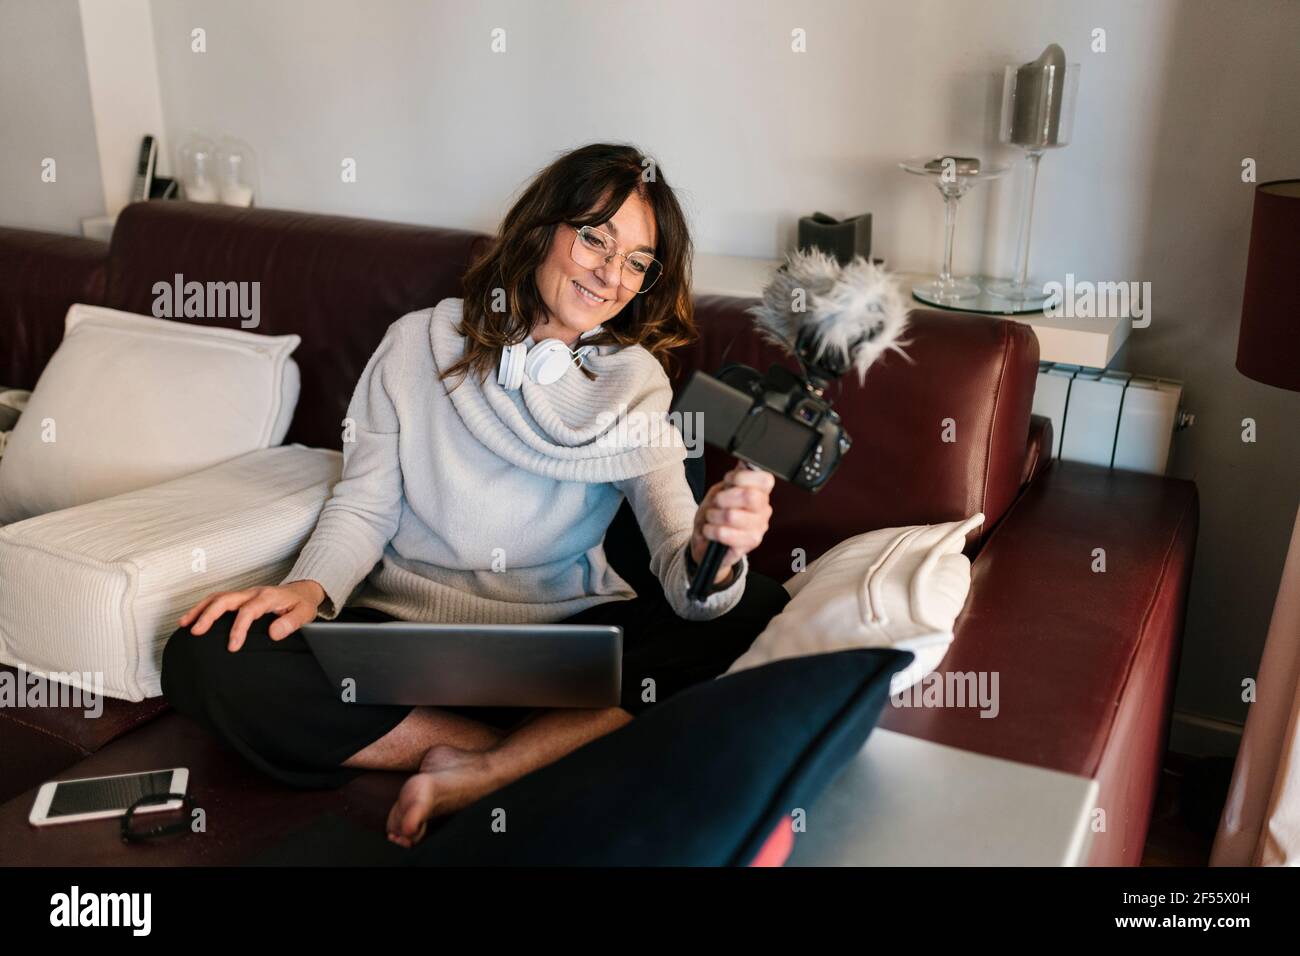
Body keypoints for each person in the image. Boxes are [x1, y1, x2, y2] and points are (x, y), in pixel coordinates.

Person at [161, 143, 789, 848]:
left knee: (761, 612)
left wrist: (714, 551)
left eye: (637, 262)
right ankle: (534, 747)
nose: (612, 274)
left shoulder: (634, 379)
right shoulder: (413, 346)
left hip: (565, 642)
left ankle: (487, 770)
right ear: (543, 227)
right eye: (595, 239)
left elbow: (681, 564)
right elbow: (364, 504)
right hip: (405, 638)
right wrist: (307, 589)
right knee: (204, 653)